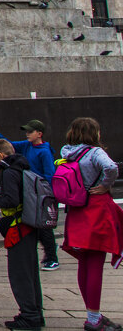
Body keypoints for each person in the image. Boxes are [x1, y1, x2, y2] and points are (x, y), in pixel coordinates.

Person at [58, 117, 122, 331]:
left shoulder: (66, 153)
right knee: (95, 263)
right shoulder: (95, 152)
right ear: (94, 133)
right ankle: (94, 319)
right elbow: (111, 168)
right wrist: (105, 185)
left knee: (84, 264)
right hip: (96, 211)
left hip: (77, 211)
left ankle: (92, 314)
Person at [0, 139, 44, 330]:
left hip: (18, 228)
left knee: (19, 274)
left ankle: (29, 316)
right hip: (30, 226)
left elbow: (11, 199)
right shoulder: (24, 168)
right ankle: (35, 313)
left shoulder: (9, 172)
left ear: (0, 155)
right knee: (31, 273)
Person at [0, 120, 60, 270]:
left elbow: (50, 174)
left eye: (30, 132)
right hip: (29, 191)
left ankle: (52, 257)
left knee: (44, 227)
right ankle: (49, 251)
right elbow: (8, 145)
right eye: (26, 131)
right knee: (35, 225)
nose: (27, 134)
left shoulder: (44, 151)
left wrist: (48, 194)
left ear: (39, 134)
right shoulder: (27, 145)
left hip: (40, 193)